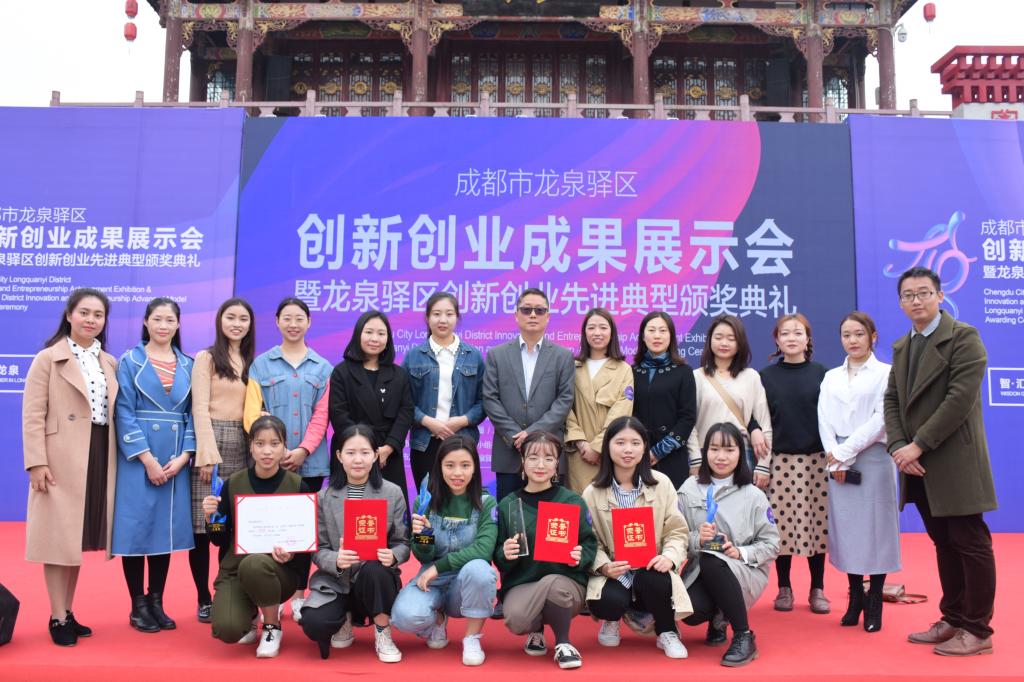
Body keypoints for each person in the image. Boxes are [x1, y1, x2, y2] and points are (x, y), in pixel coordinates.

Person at [884, 267, 997, 656]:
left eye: (923, 293)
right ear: (901, 303)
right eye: (908, 295)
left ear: (940, 296)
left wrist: (918, 445)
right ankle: (953, 618)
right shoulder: (903, 346)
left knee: (970, 542)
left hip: (953, 460)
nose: (916, 300)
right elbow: (892, 400)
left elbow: (959, 400)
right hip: (916, 463)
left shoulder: (964, 337)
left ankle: (978, 629)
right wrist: (898, 445)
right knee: (944, 542)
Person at [23, 288, 119, 646]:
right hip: (60, 456)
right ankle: (56, 615)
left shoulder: (108, 361)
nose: (91, 320)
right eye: (84, 312)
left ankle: (68, 610)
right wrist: (36, 462)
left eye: (98, 314)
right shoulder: (48, 358)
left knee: (74, 539)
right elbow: (33, 414)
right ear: (69, 315)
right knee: (57, 538)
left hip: (98, 451)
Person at [245, 297, 333, 620]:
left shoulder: (323, 367)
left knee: (303, 531)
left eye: (299, 318)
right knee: (271, 527)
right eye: (287, 318)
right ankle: (273, 591)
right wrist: (278, 450)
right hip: (270, 462)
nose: (293, 324)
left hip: (310, 462)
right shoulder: (261, 365)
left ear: (309, 322)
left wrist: (302, 450)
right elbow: (253, 413)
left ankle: (298, 594)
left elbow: (322, 416)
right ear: (277, 321)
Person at [112, 297, 196, 633]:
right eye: (157, 319)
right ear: (146, 322)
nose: (163, 325)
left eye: (170, 320)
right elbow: (123, 411)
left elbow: (194, 413)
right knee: (136, 530)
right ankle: (137, 606)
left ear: (178, 324)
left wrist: (185, 456)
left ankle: (156, 602)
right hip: (139, 458)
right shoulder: (130, 361)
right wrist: (146, 459)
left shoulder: (189, 364)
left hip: (175, 458)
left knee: (164, 530)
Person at [582, 415, 692, 659]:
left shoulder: (662, 484)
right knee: (606, 601)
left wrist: (669, 557)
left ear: (644, 447)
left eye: (635, 443)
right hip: (616, 573)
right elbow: (589, 540)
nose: (628, 450)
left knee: (657, 580)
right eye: (620, 442)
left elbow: (676, 531)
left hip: (650, 569)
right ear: (608, 446)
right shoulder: (592, 492)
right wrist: (603, 566)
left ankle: (666, 630)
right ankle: (611, 619)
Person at [202, 416, 312, 658]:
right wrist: (211, 520)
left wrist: (291, 556)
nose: (267, 451)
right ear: (250, 446)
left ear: (285, 447)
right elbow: (219, 540)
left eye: (274, 444)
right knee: (228, 630)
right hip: (235, 570)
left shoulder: (298, 486)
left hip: (279, 573)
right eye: (260, 444)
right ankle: (250, 613)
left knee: (255, 564)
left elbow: (305, 549)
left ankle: (272, 626)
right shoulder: (233, 483)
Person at [300, 424, 410, 662]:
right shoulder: (323, 497)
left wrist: (392, 555)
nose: (358, 460)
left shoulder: (393, 493)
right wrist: (336, 560)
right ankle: (345, 618)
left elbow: (403, 542)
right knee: (314, 623)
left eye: (365, 452)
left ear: (375, 455)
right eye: (350, 453)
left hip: (373, 579)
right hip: (335, 580)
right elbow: (317, 548)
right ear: (339, 456)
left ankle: (382, 631)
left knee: (375, 570)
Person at [818, 311, 899, 632]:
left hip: (873, 457)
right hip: (837, 460)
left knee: (877, 530)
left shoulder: (886, 373)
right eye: (846, 335)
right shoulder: (831, 376)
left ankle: (875, 598)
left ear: (873, 337)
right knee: (848, 529)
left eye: (859, 334)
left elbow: (881, 419)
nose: (852, 340)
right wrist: (835, 457)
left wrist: (844, 453)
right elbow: (824, 417)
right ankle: (855, 597)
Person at [677, 423, 780, 667]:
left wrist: (739, 551)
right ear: (705, 452)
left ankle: (744, 635)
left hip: (744, 570)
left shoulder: (753, 495)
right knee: (690, 611)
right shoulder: (689, 489)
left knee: (714, 561)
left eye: (729, 450)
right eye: (714, 449)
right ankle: (718, 616)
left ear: (740, 453)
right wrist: (697, 538)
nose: (721, 457)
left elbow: (772, 544)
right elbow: (673, 536)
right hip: (700, 570)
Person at [391, 435, 498, 666]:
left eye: (465, 465)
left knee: (480, 570)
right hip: (433, 578)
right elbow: (423, 556)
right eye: (450, 465)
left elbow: (483, 550)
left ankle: (471, 638)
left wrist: (439, 567)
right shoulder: (425, 501)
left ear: (475, 468)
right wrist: (423, 537)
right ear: (439, 467)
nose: (457, 473)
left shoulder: (486, 503)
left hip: (465, 579)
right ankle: (438, 618)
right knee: (403, 617)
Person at [495, 431, 597, 670]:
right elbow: (498, 554)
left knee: (555, 586)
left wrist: (580, 556)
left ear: (557, 464)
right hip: (523, 583)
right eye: (533, 458)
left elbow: (590, 543)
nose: (540, 465)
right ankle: (536, 630)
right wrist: (505, 553)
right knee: (516, 619)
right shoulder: (509, 505)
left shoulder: (572, 501)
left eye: (548, 458)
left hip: (566, 583)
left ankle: (563, 643)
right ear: (522, 461)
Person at [189, 297, 255, 623]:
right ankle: (203, 598)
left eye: (243, 319)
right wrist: (206, 454)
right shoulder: (206, 358)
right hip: (211, 444)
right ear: (219, 321)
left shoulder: (251, 361)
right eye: (231, 317)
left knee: (230, 528)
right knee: (203, 527)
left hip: (242, 446)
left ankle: (225, 591)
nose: (237, 324)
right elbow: (199, 408)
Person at [758, 314, 829, 614]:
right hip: (780, 461)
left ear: (807, 338)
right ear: (777, 339)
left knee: (817, 526)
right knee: (781, 527)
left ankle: (818, 588)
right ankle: (784, 587)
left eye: (798, 332)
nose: (791, 338)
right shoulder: (765, 376)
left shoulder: (822, 374)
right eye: (785, 333)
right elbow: (757, 417)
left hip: (816, 461)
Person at [328, 310, 414, 509]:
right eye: (369, 332)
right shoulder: (341, 372)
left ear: (388, 339)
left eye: (381, 333)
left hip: (387, 454)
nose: (375, 338)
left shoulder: (399, 374)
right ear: (358, 334)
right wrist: (364, 451)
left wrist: (388, 448)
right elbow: (338, 414)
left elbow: (406, 412)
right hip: (352, 454)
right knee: (349, 512)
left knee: (390, 511)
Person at [401, 292, 486, 491]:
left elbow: (484, 401)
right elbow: (404, 401)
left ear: (457, 317)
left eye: (449, 314)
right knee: (428, 500)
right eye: (436, 314)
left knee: (461, 499)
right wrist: (428, 421)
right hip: (425, 442)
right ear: (427, 318)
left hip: (462, 440)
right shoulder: (413, 356)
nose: (443, 320)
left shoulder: (473, 356)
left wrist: (462, 420)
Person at [686, 314, 771, 488]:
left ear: (740, 343)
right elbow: (689, 423)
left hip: (741, 454)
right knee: (706, 504)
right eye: (718, 337)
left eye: (731, 339)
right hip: (706, 454)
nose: (724, 343)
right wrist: (695, 459)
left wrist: (763, 465)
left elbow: (765, 424)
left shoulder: (751, 377)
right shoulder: (696, 377)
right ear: (710, 340)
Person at [565, 308, 634, 493]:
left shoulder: (624, 370)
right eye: (591, 328)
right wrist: (581, 443)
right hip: (579, 453)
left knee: (612, 503)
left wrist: (597, 447)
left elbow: (622, 411)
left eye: (603, 327)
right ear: (584, 332)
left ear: (612, 332)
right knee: (578, 504)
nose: (597, 333)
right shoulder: (571, 367)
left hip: (610, 452)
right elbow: (564, 407)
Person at [630, 312, 697, 490]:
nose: (657, 336)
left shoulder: (684, 371)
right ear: (643, 336)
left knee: (671, 503)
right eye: (651, 330)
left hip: (672, 456)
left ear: (671, 336)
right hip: (636, 455)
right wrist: (638, 448)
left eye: (662, 330)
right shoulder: (631, 371)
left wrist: (658, 451)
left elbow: (688, 417)